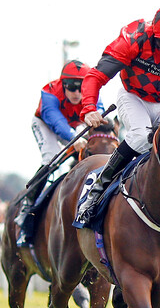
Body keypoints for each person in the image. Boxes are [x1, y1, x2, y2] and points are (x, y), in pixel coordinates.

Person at [76, 4, 160, 227]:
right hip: (134, 97)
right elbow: (95, 76)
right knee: (140, 136)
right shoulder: (134, 38)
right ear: (156, 38)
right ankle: (97, 190)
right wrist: (89, 107)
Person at [15, 60, 104, 226]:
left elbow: (99, 114)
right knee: (51, 158)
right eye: (71, 86)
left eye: (81, 86)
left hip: (73, 126)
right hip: (46, 125)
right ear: (62, 84)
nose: (76, 92)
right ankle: (28, 204)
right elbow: (56, 123)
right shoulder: (49, 93)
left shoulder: (94, 93)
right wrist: (73, 139)